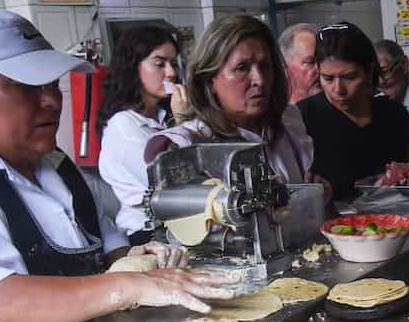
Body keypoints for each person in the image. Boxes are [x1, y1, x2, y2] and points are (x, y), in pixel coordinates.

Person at [0, 10, 237, 322]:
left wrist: (138, 261)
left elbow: (107, 257)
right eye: (28, 87)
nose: (51, 101)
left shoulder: (57, 168)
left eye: (52, 85)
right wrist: (128, 286)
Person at [145, 15, 320, 195]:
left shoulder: (286, 121)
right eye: (242, 68)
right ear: (209, 79)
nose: (259, 80)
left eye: (265, 65)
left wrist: (314, 191)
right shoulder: (190, 145)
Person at [298, 23, 409, 200]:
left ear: (369, 70)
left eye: (350, 77)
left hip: (399, 222)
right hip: (333, 226)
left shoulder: (392, 114)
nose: (338, 89)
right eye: (328, 78)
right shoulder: (302, 119)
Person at [97, 25, 189, 245]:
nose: (171, 73)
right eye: (159, 64)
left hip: (178, 227)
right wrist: (183, 123)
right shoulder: (124, 126)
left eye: (173, 63)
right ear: (133, 67)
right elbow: (172, 183)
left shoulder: (161, 116)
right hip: (147, 235)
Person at [374, 39, 409, 127]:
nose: (380, 82)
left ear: (404, 64)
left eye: (384, 72)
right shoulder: (375, 106)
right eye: (374, 75)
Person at [278, 22, 319, 103]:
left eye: (322, 60)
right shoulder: (279, 113)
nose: (320, 69)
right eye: (310, 62)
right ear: (285, 69)